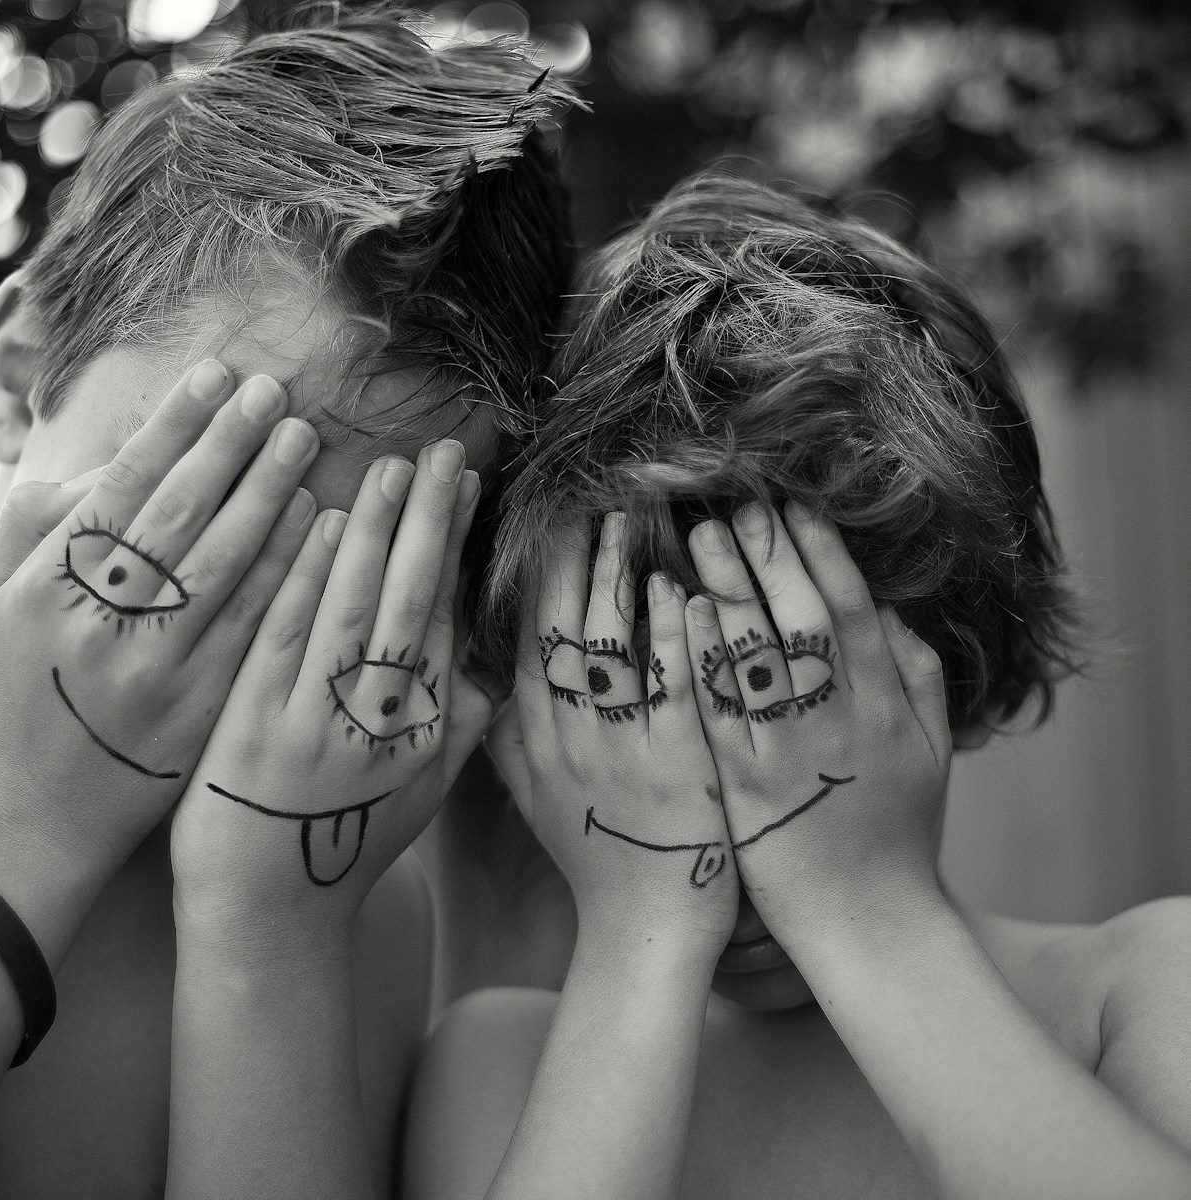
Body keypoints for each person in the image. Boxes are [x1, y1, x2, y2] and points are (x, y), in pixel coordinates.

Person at [0, 5, 572, 1197]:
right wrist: (21, 831)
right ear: (17, 376)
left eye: (363, 587)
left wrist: (274, 942)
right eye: (211, 511)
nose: (254, 636)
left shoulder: (352, 894)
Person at [400, 172, 1191, 1199]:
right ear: (529, 727)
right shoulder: (501, 1067)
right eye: (630, 711)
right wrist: (641, 943)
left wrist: (865, 908)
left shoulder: (1139, 990)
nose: (729, 819)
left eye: (783, 695)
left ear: (959, 667)